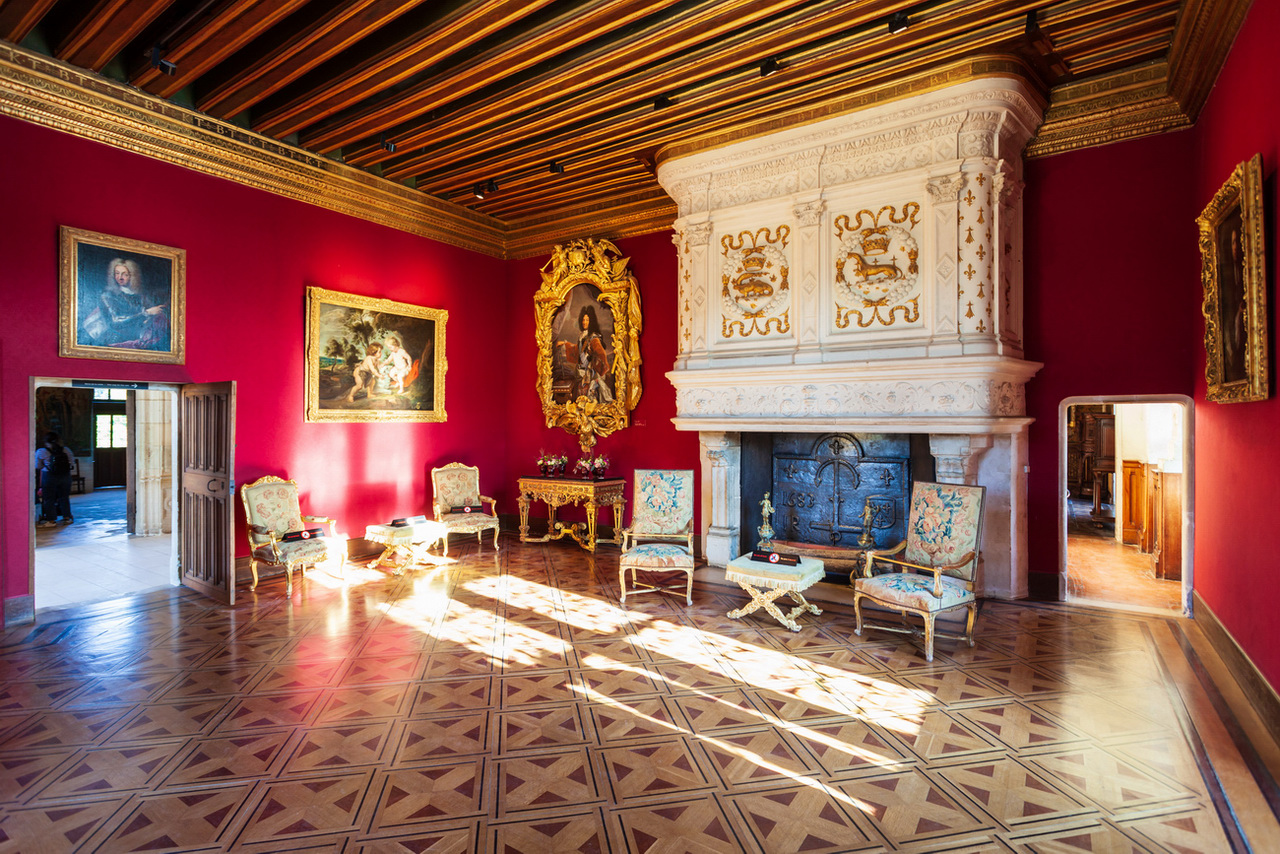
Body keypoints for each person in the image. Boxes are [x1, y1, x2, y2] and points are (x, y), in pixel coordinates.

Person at [82, 257, 169, 350]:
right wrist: (147, 313)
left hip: (137, 339)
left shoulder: (140, 296)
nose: (120, 277)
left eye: (125, 274)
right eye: (117, 273)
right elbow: (115, 322)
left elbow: (146, 317)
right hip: (116, 340)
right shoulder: (108, 296)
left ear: (132, 276)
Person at [556, 305, 613, 403]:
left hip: (590, 374)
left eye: (587, 320)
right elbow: (578, 350)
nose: (584, 322)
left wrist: (594, 361)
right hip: (581, 372)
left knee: (590, 399)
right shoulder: (582, 336)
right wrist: (565, 344)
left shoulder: (594, 337)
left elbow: (601, 353)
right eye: (583, 320)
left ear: (591, 321)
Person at [34, 431, 75, 526]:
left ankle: (51, 520)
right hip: (65, 476)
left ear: (46, 442)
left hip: (49, 476)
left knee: (49, 499)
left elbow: (38, 466)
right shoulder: (66, 450)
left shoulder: (41, 451)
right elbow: (72, 463)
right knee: (64, 497)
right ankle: (67, 518)